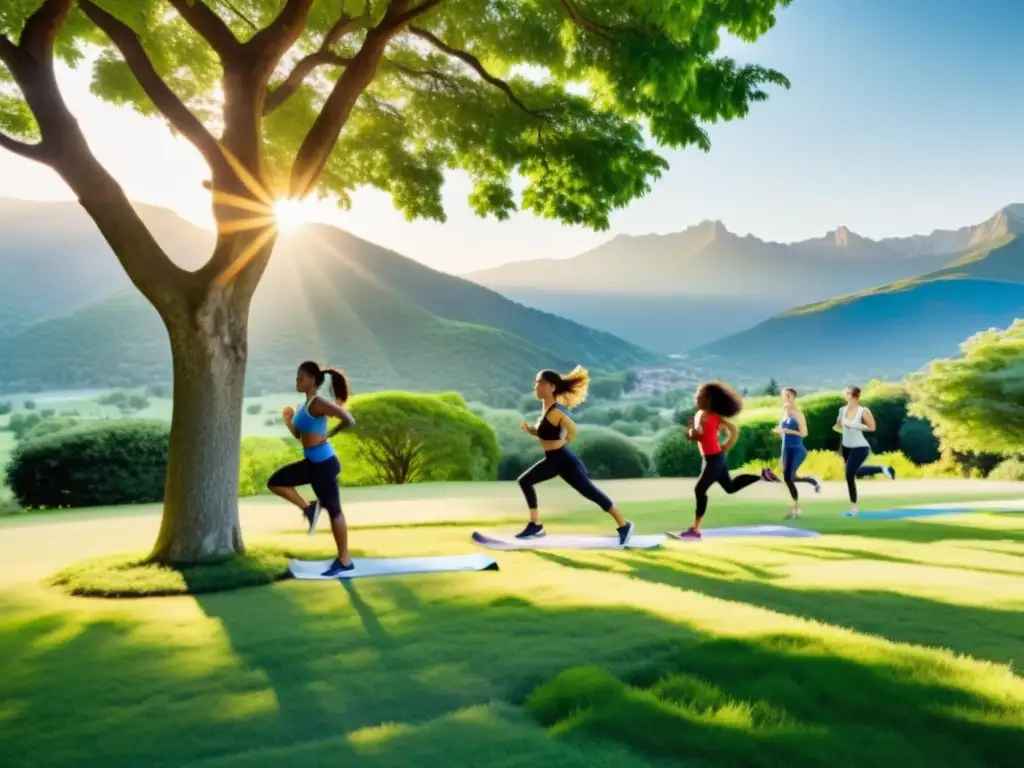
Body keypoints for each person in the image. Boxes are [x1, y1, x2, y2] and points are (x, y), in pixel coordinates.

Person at [515, 366, 634, 545]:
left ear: (551, 387)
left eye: (540, 383)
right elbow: (545, 433)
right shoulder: (546, 410)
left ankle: (624, 525)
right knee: (525, 481)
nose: (536, 386)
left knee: (591, 493)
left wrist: (562, 442)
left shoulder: (556, 411)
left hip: (563, 461)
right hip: (553, 460)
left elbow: (573, 430)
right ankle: (535, 525)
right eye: (536, 383)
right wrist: (530, 430)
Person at [268, 361, 356, 576]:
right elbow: (300, 436)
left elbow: (349, 420)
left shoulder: (318, 403)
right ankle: (309, 509)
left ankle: (345, 561)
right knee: (276, 482)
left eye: (301, 378)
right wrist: (288, 420)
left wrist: (331, 434)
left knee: (335, 511)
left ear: (313, 381)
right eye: (297, 378)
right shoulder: (303, 407)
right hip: (312, 463)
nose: (297, 382)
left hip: (324, 464)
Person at [678, 380, 774, 540]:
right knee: (730, 488)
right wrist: (690, 434)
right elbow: (697, 435)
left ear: (708, 399)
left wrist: (727, 444)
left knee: (699, 490)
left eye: (699, 395)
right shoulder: (699, 414)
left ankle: (695, 530)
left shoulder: (715, 417)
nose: (696, 397)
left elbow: (733, 429)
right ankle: (761, 475)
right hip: (710, 458)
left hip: (714, 459)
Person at [836, 385, 896, 516]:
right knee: (853, 473)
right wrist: (839, 425)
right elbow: (839, 425)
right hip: (846, 446)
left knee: (849, 474)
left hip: (860, 446)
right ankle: (882, 469)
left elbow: (872, 427)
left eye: (847, 393)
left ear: (853, 395)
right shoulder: (842, 410)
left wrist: (852, 425)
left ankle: (854, 508)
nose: (845, 396)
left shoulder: (863, 411)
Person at [771, 387, 821, 519]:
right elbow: (783, 434)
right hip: (786, 449)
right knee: (790, 477)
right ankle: (812, 480)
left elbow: (804, 433)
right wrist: (779, 432)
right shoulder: (784, 413)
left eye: (788, 395)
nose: (785, 398)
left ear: (793, 397)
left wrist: (788, 431)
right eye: (784, 396)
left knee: (788, 477)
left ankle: (796, 509)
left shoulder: (798, 414)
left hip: (797, 449)